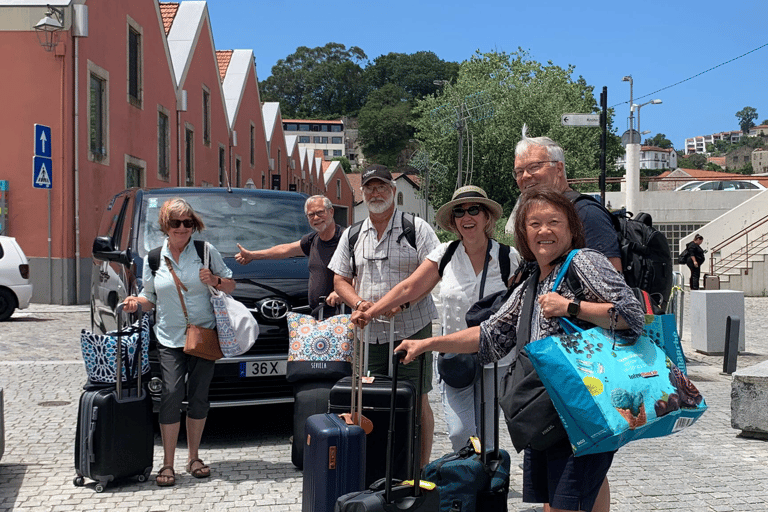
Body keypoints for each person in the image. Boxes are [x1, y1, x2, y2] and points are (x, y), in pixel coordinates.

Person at [395, 188, 645, 512]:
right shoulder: (532, 279)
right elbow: (491, 334)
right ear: (524, 234)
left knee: (565, 503)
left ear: (571, 228)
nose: (544, 230)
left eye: (554, 221)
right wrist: (429, 344)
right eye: (535, 223)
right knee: (569, 499)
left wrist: (571, 307)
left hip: (584, 405)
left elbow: (632, 315)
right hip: (548, 411)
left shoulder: (583, 261)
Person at [351, 185, 520, 452]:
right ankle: (466, 478)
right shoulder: (445, 254)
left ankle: (479, 489)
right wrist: (370, 312)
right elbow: (409, 288)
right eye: (460, 212)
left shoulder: (507, 257)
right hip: (455, 358)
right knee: (460, 432)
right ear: (453, 222)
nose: (467, 217)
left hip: (495, 359)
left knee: (487, 438)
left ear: (487, 217)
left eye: (474, 210)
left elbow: (521, 306)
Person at [328, 165, 440, 466]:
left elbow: (432, 275)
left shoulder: (416, 228)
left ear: (393, 191)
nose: (375, 192)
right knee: (369, 401)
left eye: (381, 187)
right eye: (369, 188)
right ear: (362, 194)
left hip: (412, 329)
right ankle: (377, 465)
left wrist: (402, 305)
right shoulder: (352, 234)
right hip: (370, 334)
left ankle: (419, 470)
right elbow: (340, 279)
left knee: (415, 400)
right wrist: (358, 303)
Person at [122, 198, 235, 487]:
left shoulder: (205, 251)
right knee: (171, 393)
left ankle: (194, 457)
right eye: (176, 223)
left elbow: (232, 284)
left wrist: (215, 281)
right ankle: (168, 463)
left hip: (204, 335)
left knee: (199, 397)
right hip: (169, 337)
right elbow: (150, 298)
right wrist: (137, 303)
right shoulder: (154, 258)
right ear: (166, 225)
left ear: (193, 224)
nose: (182, 228)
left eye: (187, 222)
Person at [507, 124, 622, 272]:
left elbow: (613, 283)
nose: (525, 176)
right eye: (519, 171)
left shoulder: (586, 212)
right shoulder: (529, 213)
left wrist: (562, 296)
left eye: (534, 167)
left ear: (559, 169)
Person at [235, 195, 343, 318]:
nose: (316, 218)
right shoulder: (312, 240)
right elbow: (284, 249)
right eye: (311, 215)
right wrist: (252, 255)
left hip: (341, 316)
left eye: (320, 212)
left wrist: (341, 293)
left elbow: (362, 271)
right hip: (317, 316)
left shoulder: (346, 239)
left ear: (331, 211)